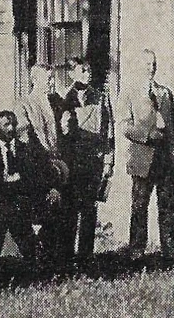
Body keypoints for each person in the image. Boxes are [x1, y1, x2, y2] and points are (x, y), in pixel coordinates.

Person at [121, 48, 174, 261]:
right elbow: (125, 126)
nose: (151, 68)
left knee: (168, 205)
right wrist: (148, 134)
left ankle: (170, 250)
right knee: (139, 206)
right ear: (138, 66)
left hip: (164, 159)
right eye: (147, 64)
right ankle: (136, 250)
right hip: (142, 158)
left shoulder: (165, 93)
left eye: (153, 64)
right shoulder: (129, 92)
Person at [0, 110, 61, 262]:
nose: (10, 129)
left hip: (24, 196)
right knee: (3, 216)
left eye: (13, 125)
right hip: (0, 198)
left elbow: (47, 170)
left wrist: (53, 188)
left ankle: (34, 258)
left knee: (17, 213)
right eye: (5, 125)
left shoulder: (27, 150)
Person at [55, 56, 114, 263]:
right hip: (71, 162)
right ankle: (67, 255)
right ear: (72, 74)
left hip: (92, 160)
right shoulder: (62, 99)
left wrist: (108, 161)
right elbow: (60, 134)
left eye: (88, 71)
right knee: (70, 209)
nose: (87, 74)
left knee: (89, 208)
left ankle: (86, 256)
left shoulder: (100, 97)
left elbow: (108, 132)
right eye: (82, 71)